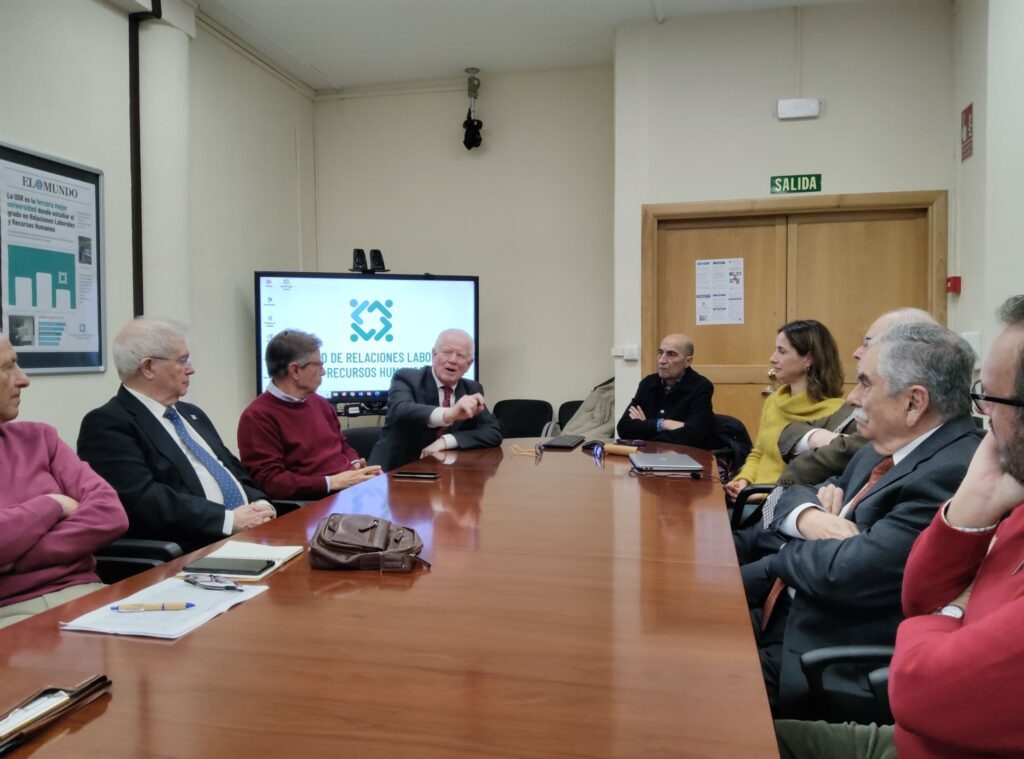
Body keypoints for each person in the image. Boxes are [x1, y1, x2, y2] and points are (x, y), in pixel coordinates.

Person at [774, 294, 1024, 758]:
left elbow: (918, 692)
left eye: (989, 399)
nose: (981, 420)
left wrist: (948, 614)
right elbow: (919, 594)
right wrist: (966, 515)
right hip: (914, 732)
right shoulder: (1004, 494)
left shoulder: (950, 465)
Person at [753, 322, 980, 719]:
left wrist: (788, 549)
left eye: (865, 384)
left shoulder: (955, 471)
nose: (853, 397)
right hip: (785, 609)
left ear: (914, 403)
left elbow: (841, 574)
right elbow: (785, 493)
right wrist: (809, 519)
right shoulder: (883, 446)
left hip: (818, 653)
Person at [78, 318, 275, 554]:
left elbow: (233, 469)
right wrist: (228, 520)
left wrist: (260, 504)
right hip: (192, 549)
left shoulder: (192, 414)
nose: (191, 369)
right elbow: (142, 500)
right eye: (183, 361)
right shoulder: (107, 424)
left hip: (252, 534)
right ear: (148, 367)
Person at [0, 333, 128, 628]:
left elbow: (110, 514)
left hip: (88, 595)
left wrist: (17, 560)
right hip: (11, 613)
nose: (23, 379)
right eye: (9, 367)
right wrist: (52, 504)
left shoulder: (39, 438)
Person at [775, 309, 936, 487]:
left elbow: (809, 469)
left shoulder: (896, 416)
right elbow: (791, 431)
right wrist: (821, 439)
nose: (856, 352)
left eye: (868, 344)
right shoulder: (861, 401)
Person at [238, 329, 381, 500]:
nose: (323, 372)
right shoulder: (257, 417)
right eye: (318, 365)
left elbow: (342, 446)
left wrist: (355, 465)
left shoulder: (319, 402)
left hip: (346, 491)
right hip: (311, 504)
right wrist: (331, 482)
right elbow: (270, 482)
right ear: (295, 371)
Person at [724, 320, 846, 502]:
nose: (772, 358)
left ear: (808, 359)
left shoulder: (836, 412)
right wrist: (743, 480)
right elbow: (759, 453)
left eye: (781, 351)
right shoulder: (774, 401)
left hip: (782, 506)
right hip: (749, 495)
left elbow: (815, 479)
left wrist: (760, 496)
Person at [368, 329, 502, 471]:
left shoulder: (472, 388)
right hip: (393, 474)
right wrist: (449, 414)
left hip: (442, 475)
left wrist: (446, 441)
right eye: (447, 352)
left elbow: (493, 431)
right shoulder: (407, 378)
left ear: (469, 364)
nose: (452, 360)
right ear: (434, 354)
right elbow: (401, 410)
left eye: (460, 355)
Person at [616, 333, 715, 447]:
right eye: (660, 353)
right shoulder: (648, 383)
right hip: (649, 456)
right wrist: (663, 424)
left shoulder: (701, 387)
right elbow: (623, 428)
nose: (662, 360)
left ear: (687, 361)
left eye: (671, 354)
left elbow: (693, 435)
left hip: (685, 457)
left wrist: (645, 427)